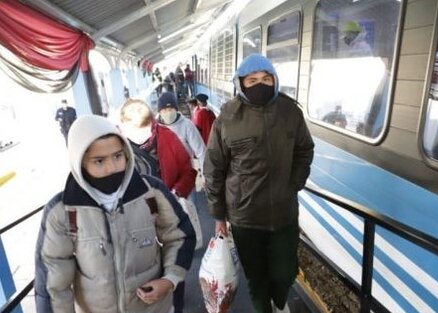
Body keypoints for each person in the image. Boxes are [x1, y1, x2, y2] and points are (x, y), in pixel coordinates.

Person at [34, 115, 196, 313]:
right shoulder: (62, 211)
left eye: (118, 156)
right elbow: (53, 284)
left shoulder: (151, 192)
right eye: (99, 161)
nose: (111, 168)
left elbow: (180, 235)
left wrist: (169, 280)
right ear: (80, 163)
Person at [203, 53, 314, 313]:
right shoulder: (228, 118)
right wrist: (219, 216)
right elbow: (214, 169)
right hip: (244, 216)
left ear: (275, 80)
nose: (260, 85)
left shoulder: (290, 112)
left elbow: (304, 149)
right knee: (256, 276)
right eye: (252, 80)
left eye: (266, 78)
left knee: (285, 272)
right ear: (240, 83)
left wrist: (295, 183)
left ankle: (279, 301)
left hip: (284, 213)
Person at [120, 96, 197, 313]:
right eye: (133, 130)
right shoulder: (113, 148)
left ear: (153, 122)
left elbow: (188, 171)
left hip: (166, 221)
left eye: (144, 129)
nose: (140, 137)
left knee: (173, 276)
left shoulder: (168, 138)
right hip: (133, 229)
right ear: (122, 126)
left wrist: (174, 194)